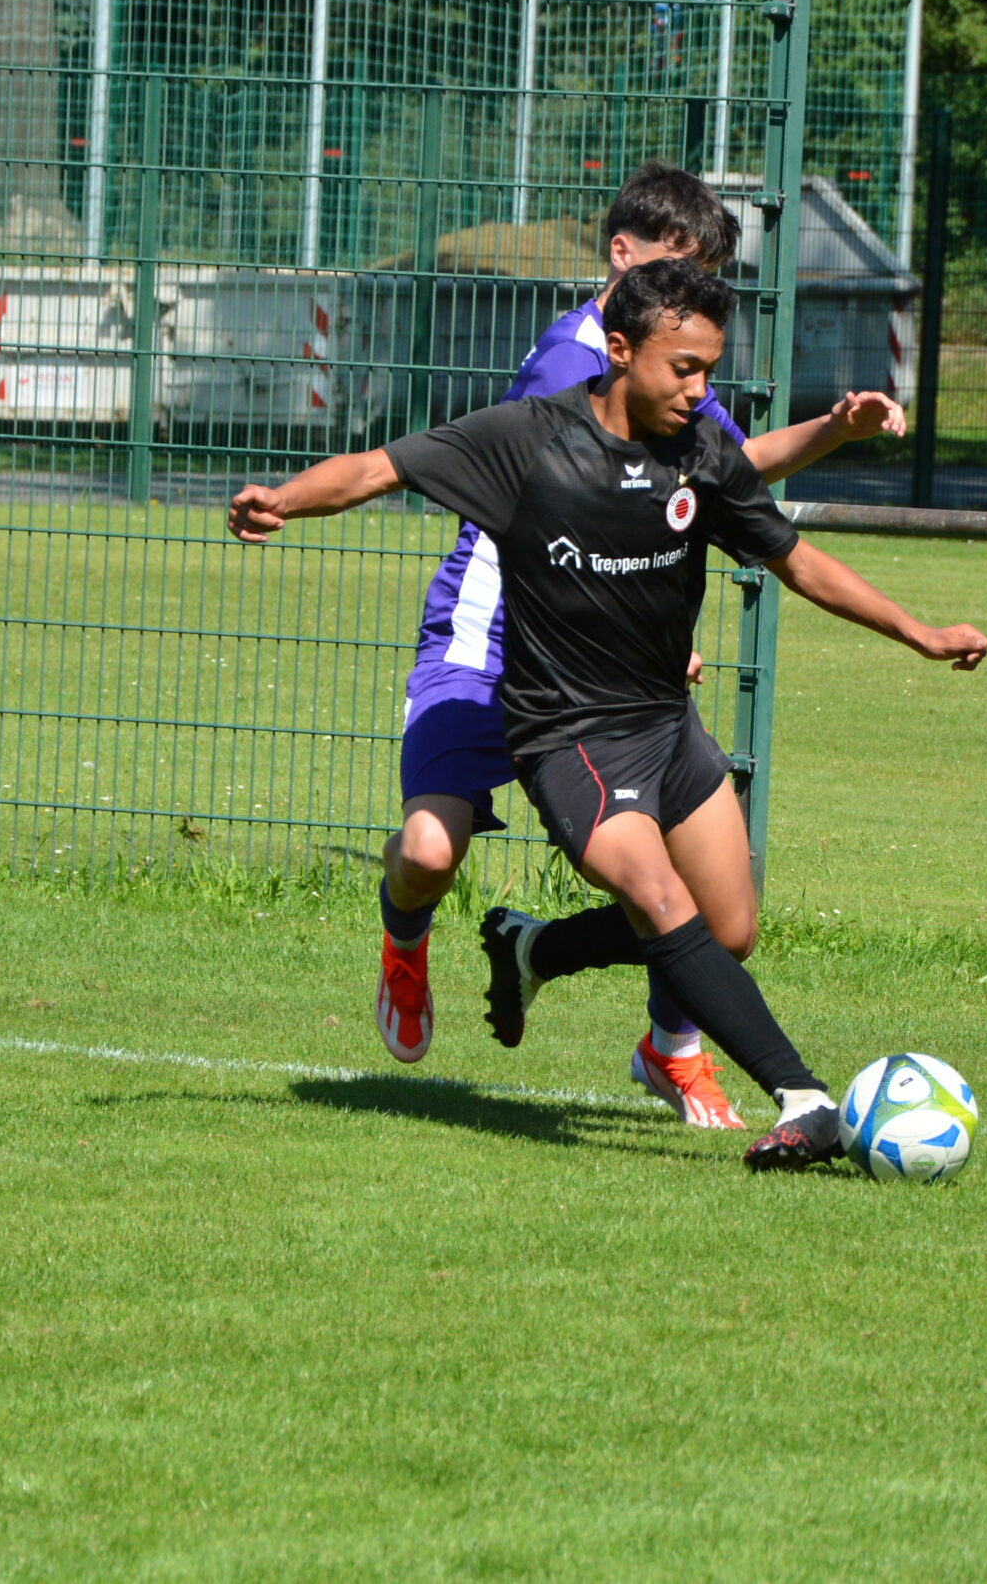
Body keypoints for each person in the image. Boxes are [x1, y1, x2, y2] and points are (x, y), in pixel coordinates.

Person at [230, 258, 987, 1170]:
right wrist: (283, 499)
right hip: (569, 736)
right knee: (661, 900)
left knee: (729, 930)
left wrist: (920, 632)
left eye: (710, 369)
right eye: (684, 368)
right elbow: (380, 467)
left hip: (666, 725)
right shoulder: (528, 440)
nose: (699, 390)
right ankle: (805, 1096)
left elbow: (796, 560)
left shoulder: (701, 452)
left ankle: (534, 948)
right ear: (621, 350)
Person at [375, 160, 907, 1133]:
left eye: (707, 279)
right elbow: (581, 499)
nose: (694, 294)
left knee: (703, 900)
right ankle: (405, 938)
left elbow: (722, 470)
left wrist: (833, 428)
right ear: (624, 258)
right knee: (427, 849)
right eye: (682, 269)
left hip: (590, 664)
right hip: (493, 639)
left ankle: (655, 1033)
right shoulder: (573, 365)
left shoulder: (668, 367)